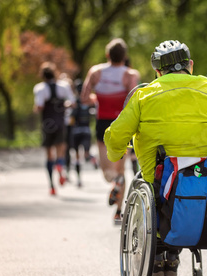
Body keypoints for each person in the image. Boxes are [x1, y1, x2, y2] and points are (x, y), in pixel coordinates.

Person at [104, 40, 207, 276]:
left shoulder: (144, 96)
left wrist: (115, 153)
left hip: (159, 180)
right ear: (190, 65)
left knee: (153, 188)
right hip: (204, 177)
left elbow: (116, 135)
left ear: (158, 72)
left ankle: (161, 254)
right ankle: (174, 255)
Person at [81, 38, 140, 221]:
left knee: (108, 171)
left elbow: (84, 97)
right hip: (122, 124)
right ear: (125, 56)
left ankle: (114, 181)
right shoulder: (131, 75)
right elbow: (132, 101)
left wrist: (97, 99)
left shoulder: (96, 72)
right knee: (120, 168)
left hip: (102, 122)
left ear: (107, 55)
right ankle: (118, 211)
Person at [33, 62, 76, 195]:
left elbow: (39, 106)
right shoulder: (63, 87)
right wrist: (64, 105)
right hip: (60, 123)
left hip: (47, 125)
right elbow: (73, 103)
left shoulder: (40, 88)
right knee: (61, 150)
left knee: (49, 154)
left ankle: (52, 186)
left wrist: (37, 109)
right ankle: (60, 166)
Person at [69, 79, 98, 187]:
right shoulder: (89, 101)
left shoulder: (75, 102)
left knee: (76, 157)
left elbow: (71, 118)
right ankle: (92, 158)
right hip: (86, 130)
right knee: (86, 153)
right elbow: (94, 113)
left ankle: (79, 180)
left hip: (76, 131)